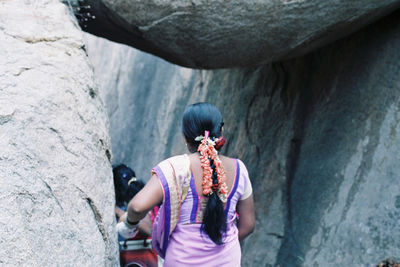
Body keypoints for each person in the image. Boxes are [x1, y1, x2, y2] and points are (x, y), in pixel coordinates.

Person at [117, 102, 255, 266]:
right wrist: (223, 246)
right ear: (221, 132)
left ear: (185, 137)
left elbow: (137, 207)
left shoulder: (175, 168)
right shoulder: (239, 169)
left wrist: (128, 225)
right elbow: (248, 225)